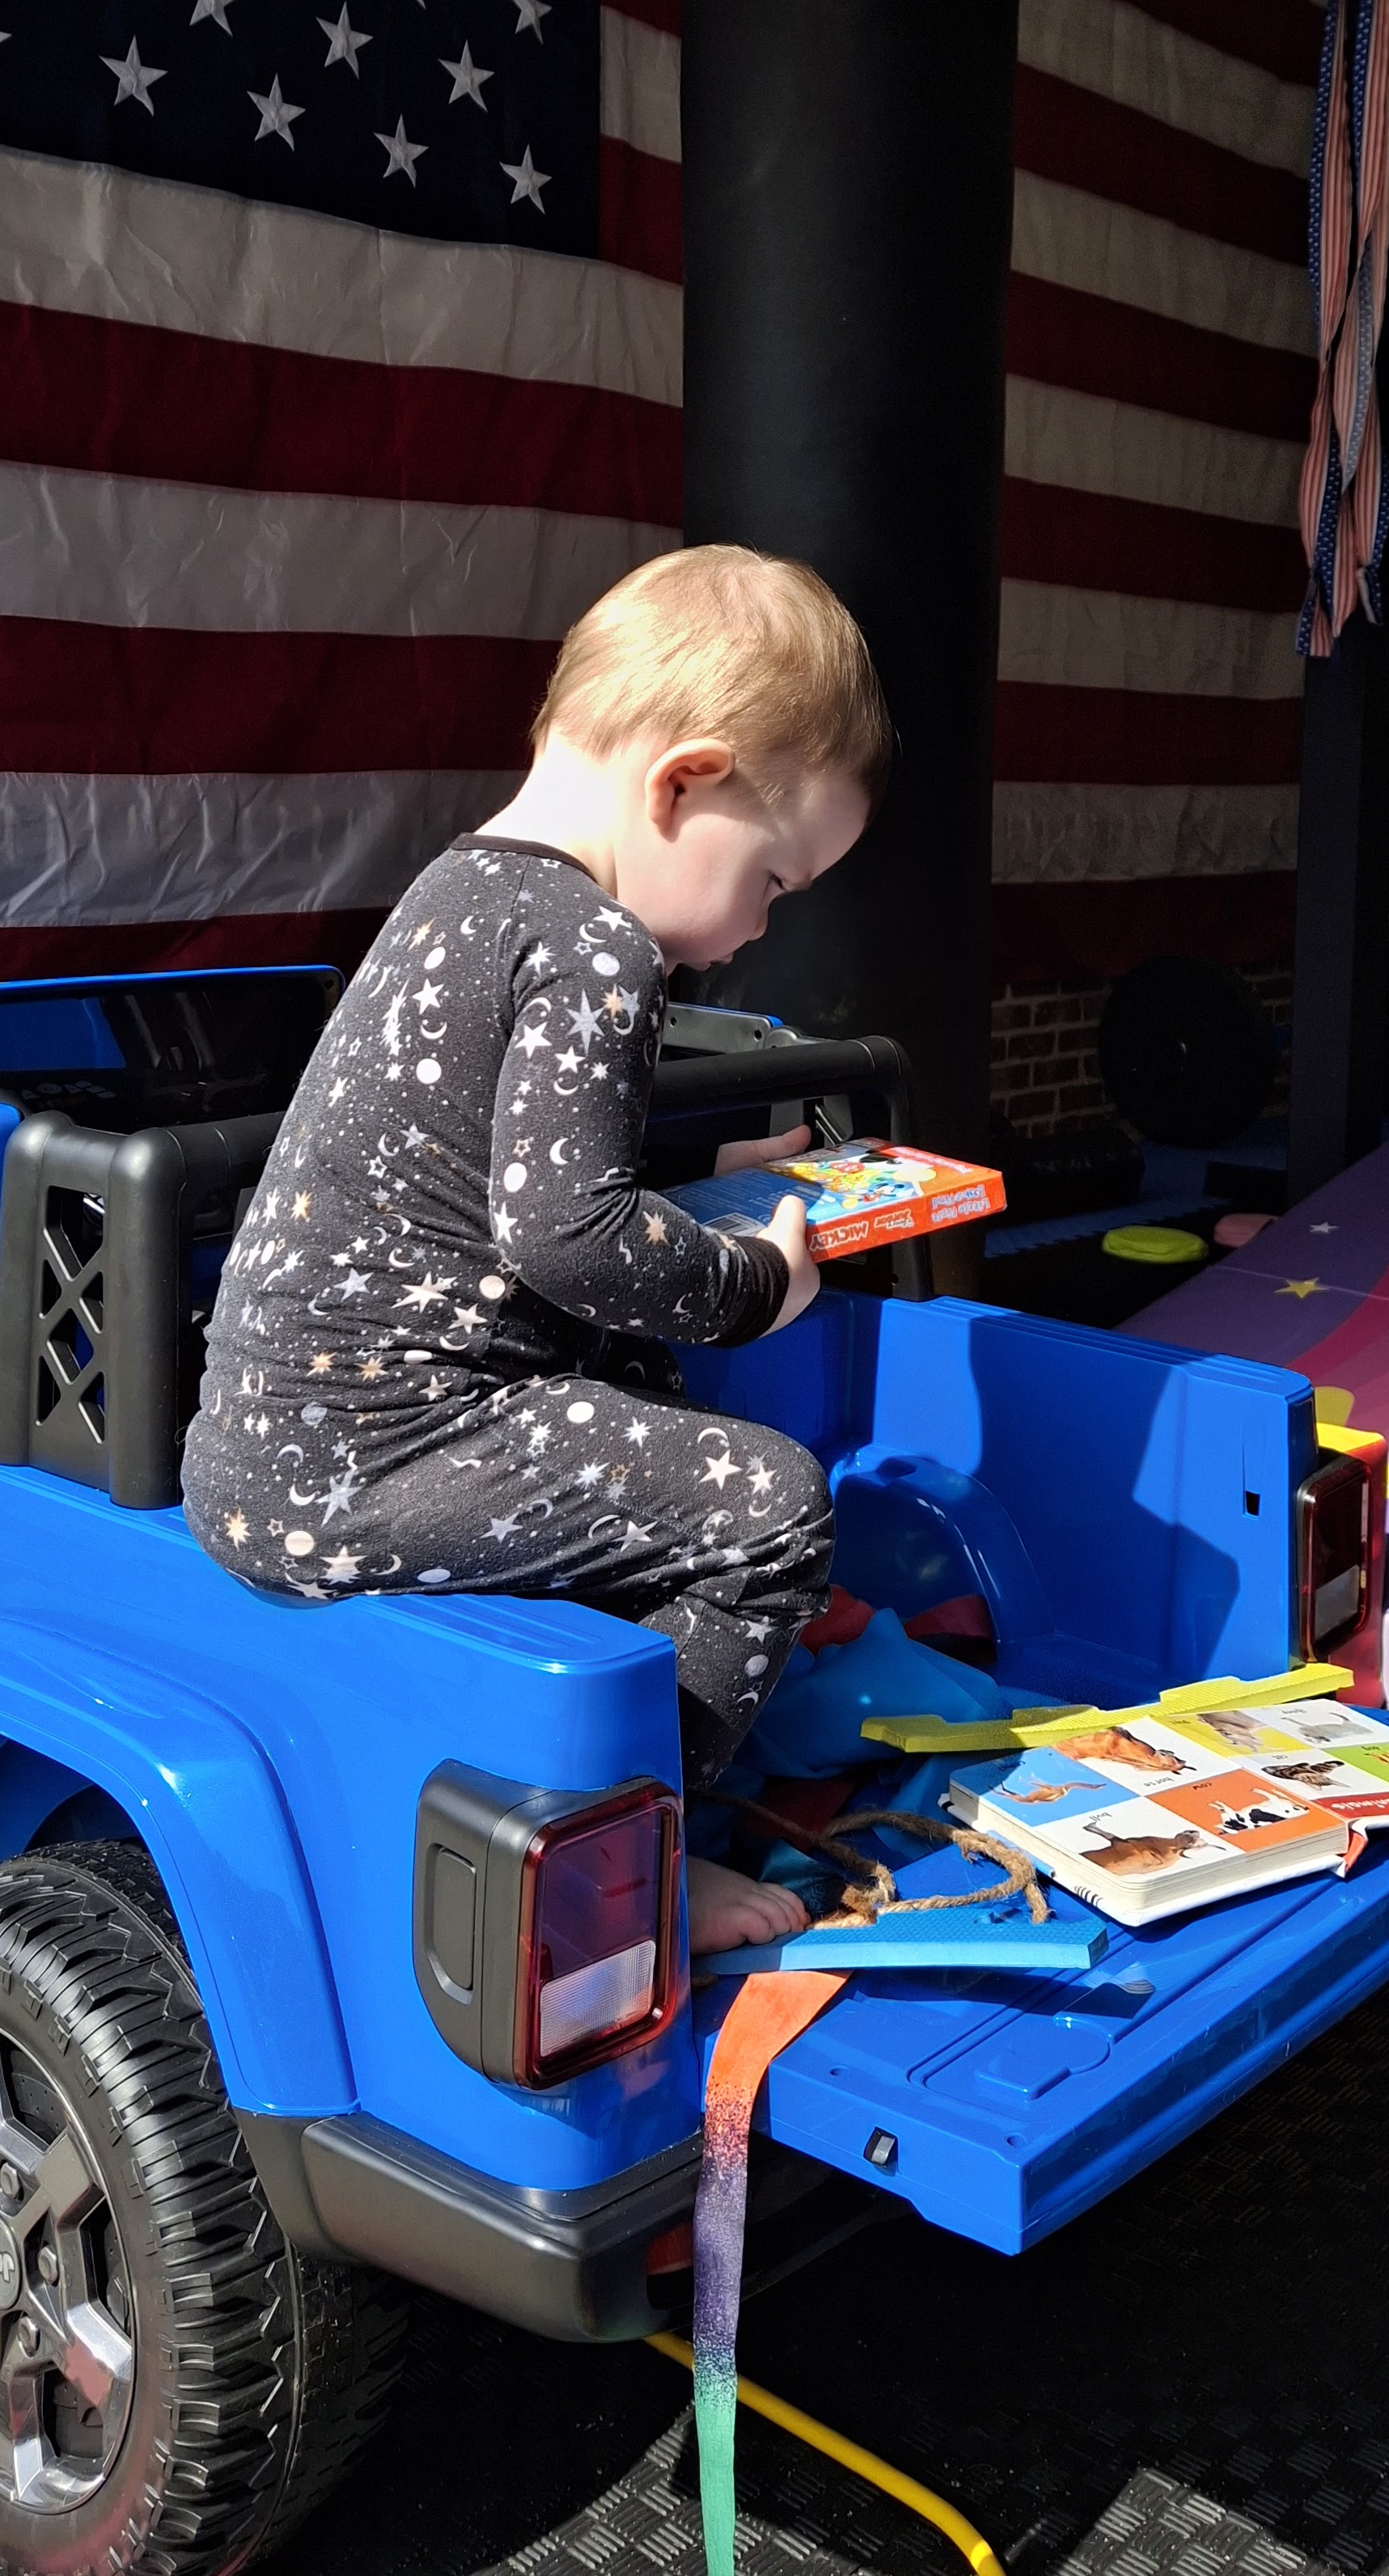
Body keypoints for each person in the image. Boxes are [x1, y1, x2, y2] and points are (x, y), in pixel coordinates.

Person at [180, 545, 891, 1956]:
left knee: (632, 1386)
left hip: (270, 1449)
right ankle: (642, 1861)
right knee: (769, 1507)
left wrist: (698, 1182)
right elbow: (571, 1237)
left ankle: (605, 1732)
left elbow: (499, 1172)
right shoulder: (600, 945)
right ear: (682, 785)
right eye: (773, 878)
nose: (757, 928)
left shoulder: (458, 888)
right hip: (373, 1463)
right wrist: (756, 1285)